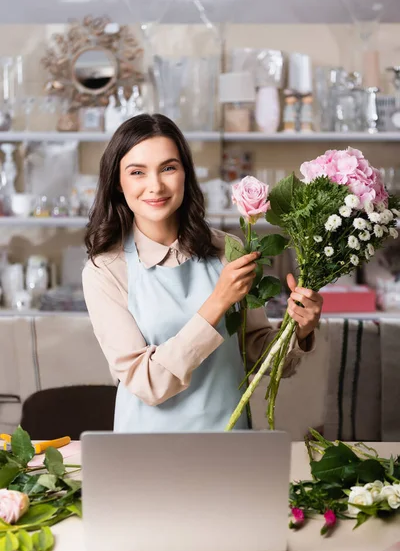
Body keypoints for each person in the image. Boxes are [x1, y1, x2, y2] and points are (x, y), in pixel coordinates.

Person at [82, 113, 322, 432]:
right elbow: (146, 383)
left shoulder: (228, 249)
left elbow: (256, 351)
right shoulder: (105, 270)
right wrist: (217, 302)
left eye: (168, 168)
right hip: (145, 452)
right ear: (118, 182)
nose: (155, 186)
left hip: (228, 442)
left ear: (185, 174)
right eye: (137, 172)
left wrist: (299, 329)